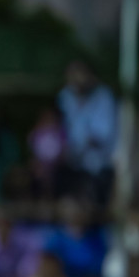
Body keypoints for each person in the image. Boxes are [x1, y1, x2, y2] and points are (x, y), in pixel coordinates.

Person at [57, 61, 117, 206]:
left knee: (96, 206)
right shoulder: (65, 96)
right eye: (72, 75)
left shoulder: (104, 96)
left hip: (99, 165)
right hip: (72, 164)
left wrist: (77, 145)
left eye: (80, 75)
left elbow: (101, 135)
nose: (76, 80)